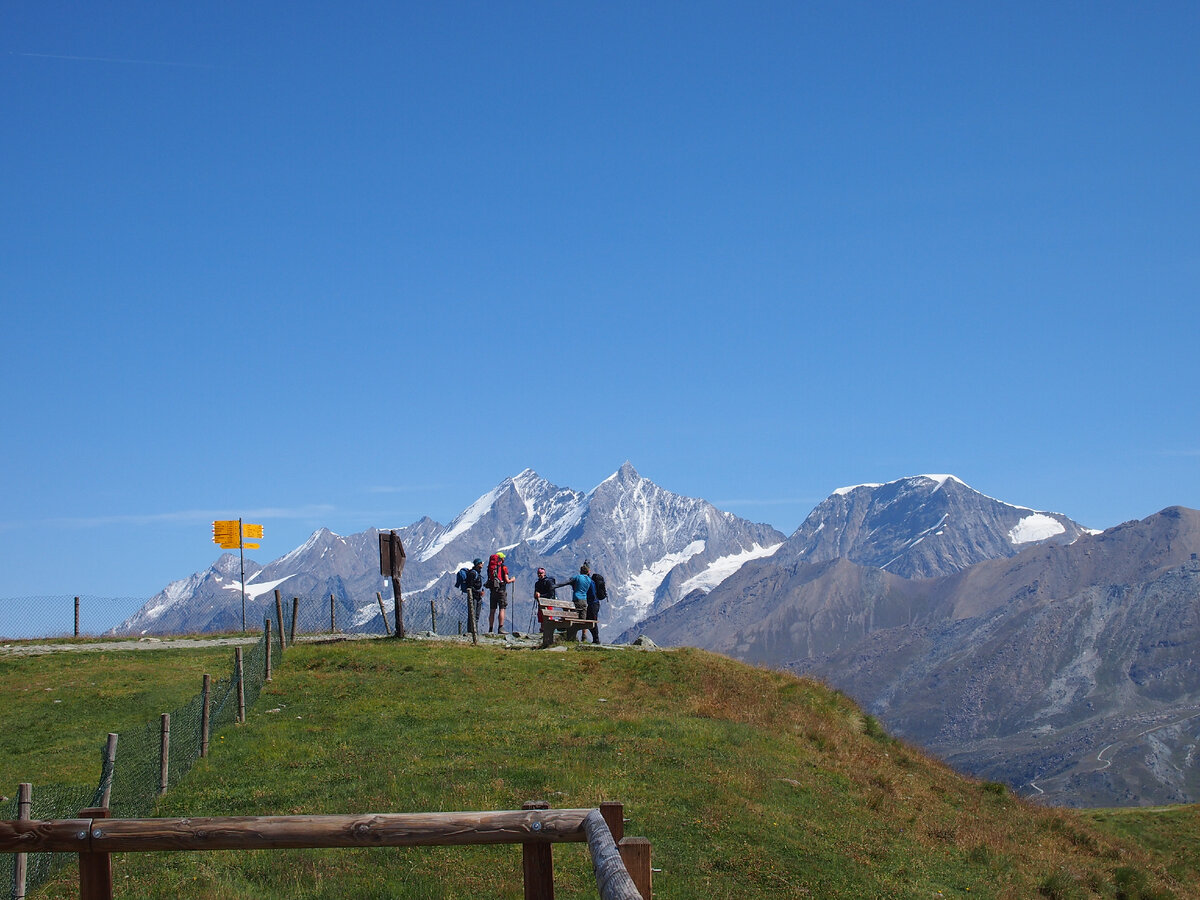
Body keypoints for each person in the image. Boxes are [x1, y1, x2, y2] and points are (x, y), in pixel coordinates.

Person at [557, 563, 594, 642]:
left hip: (577, 600)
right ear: (588, 572)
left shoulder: (577, 577)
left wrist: (555, 586)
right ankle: (584, 637)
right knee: (582, 620)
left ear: (580, 571)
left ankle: (570, 637)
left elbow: (567, 582)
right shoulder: (589, 580)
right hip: (584, 601)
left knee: (573, 619)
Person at [487, 551, 515, 634]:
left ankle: (490, 629)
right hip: (501, 590)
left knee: (492, 610)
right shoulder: (503, 567)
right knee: (502, 608)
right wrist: (512, 579)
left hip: (493, 590)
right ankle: (500, 628)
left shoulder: (491, 567)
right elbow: (507, 580)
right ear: (501, 558)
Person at [583, 570, 605, 644]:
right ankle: (595, 639)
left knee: (593, 621)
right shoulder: (591, 581)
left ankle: (596, 639)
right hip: (594, 604)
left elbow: (592, 594)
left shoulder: (591, 582)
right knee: (590, 620)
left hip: (593, 604)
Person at [464, 558, 484, 635]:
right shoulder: (472, 574)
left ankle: (475, 632)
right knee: (472, 615)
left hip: (478, 596)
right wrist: (478, 592)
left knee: (476, 616)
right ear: (477, 564)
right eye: (481, 563)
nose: (482, 564)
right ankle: (471, 632)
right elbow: (470, 586)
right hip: (473, 597)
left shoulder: (477, 573)